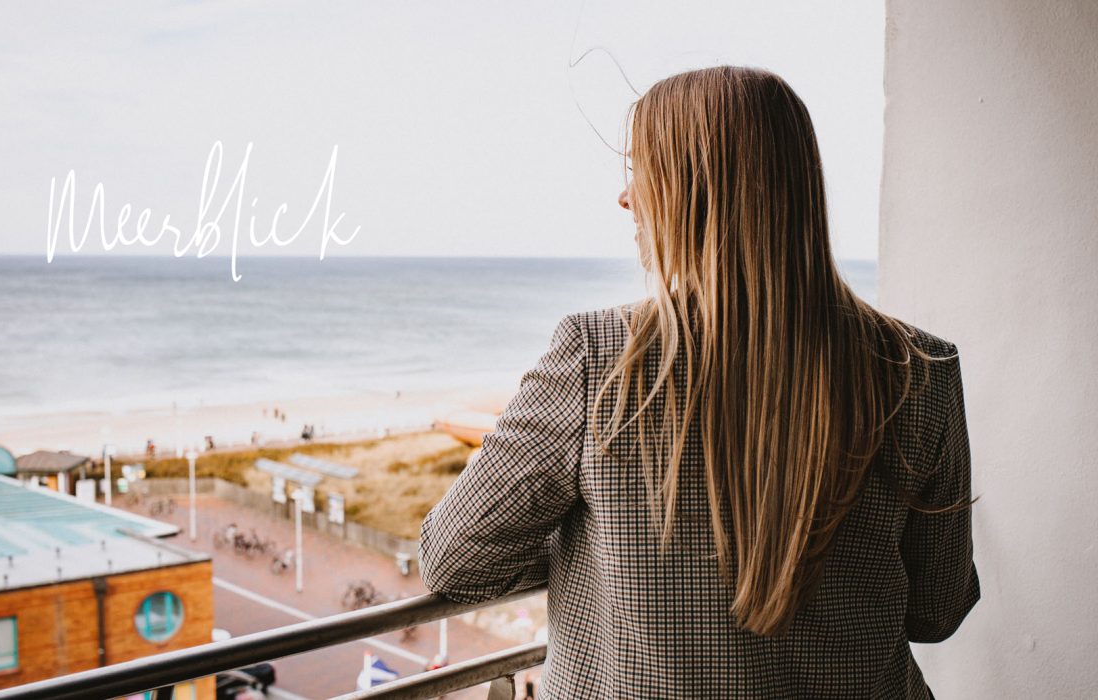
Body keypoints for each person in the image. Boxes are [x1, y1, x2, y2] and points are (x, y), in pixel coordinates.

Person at [418, 66, 979, 699]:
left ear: (698, 190)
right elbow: (938, 609)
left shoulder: (597, 358)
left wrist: (594, 539)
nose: (626, 198)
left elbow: (452, 559)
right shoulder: (919, 370)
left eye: (643, 169)